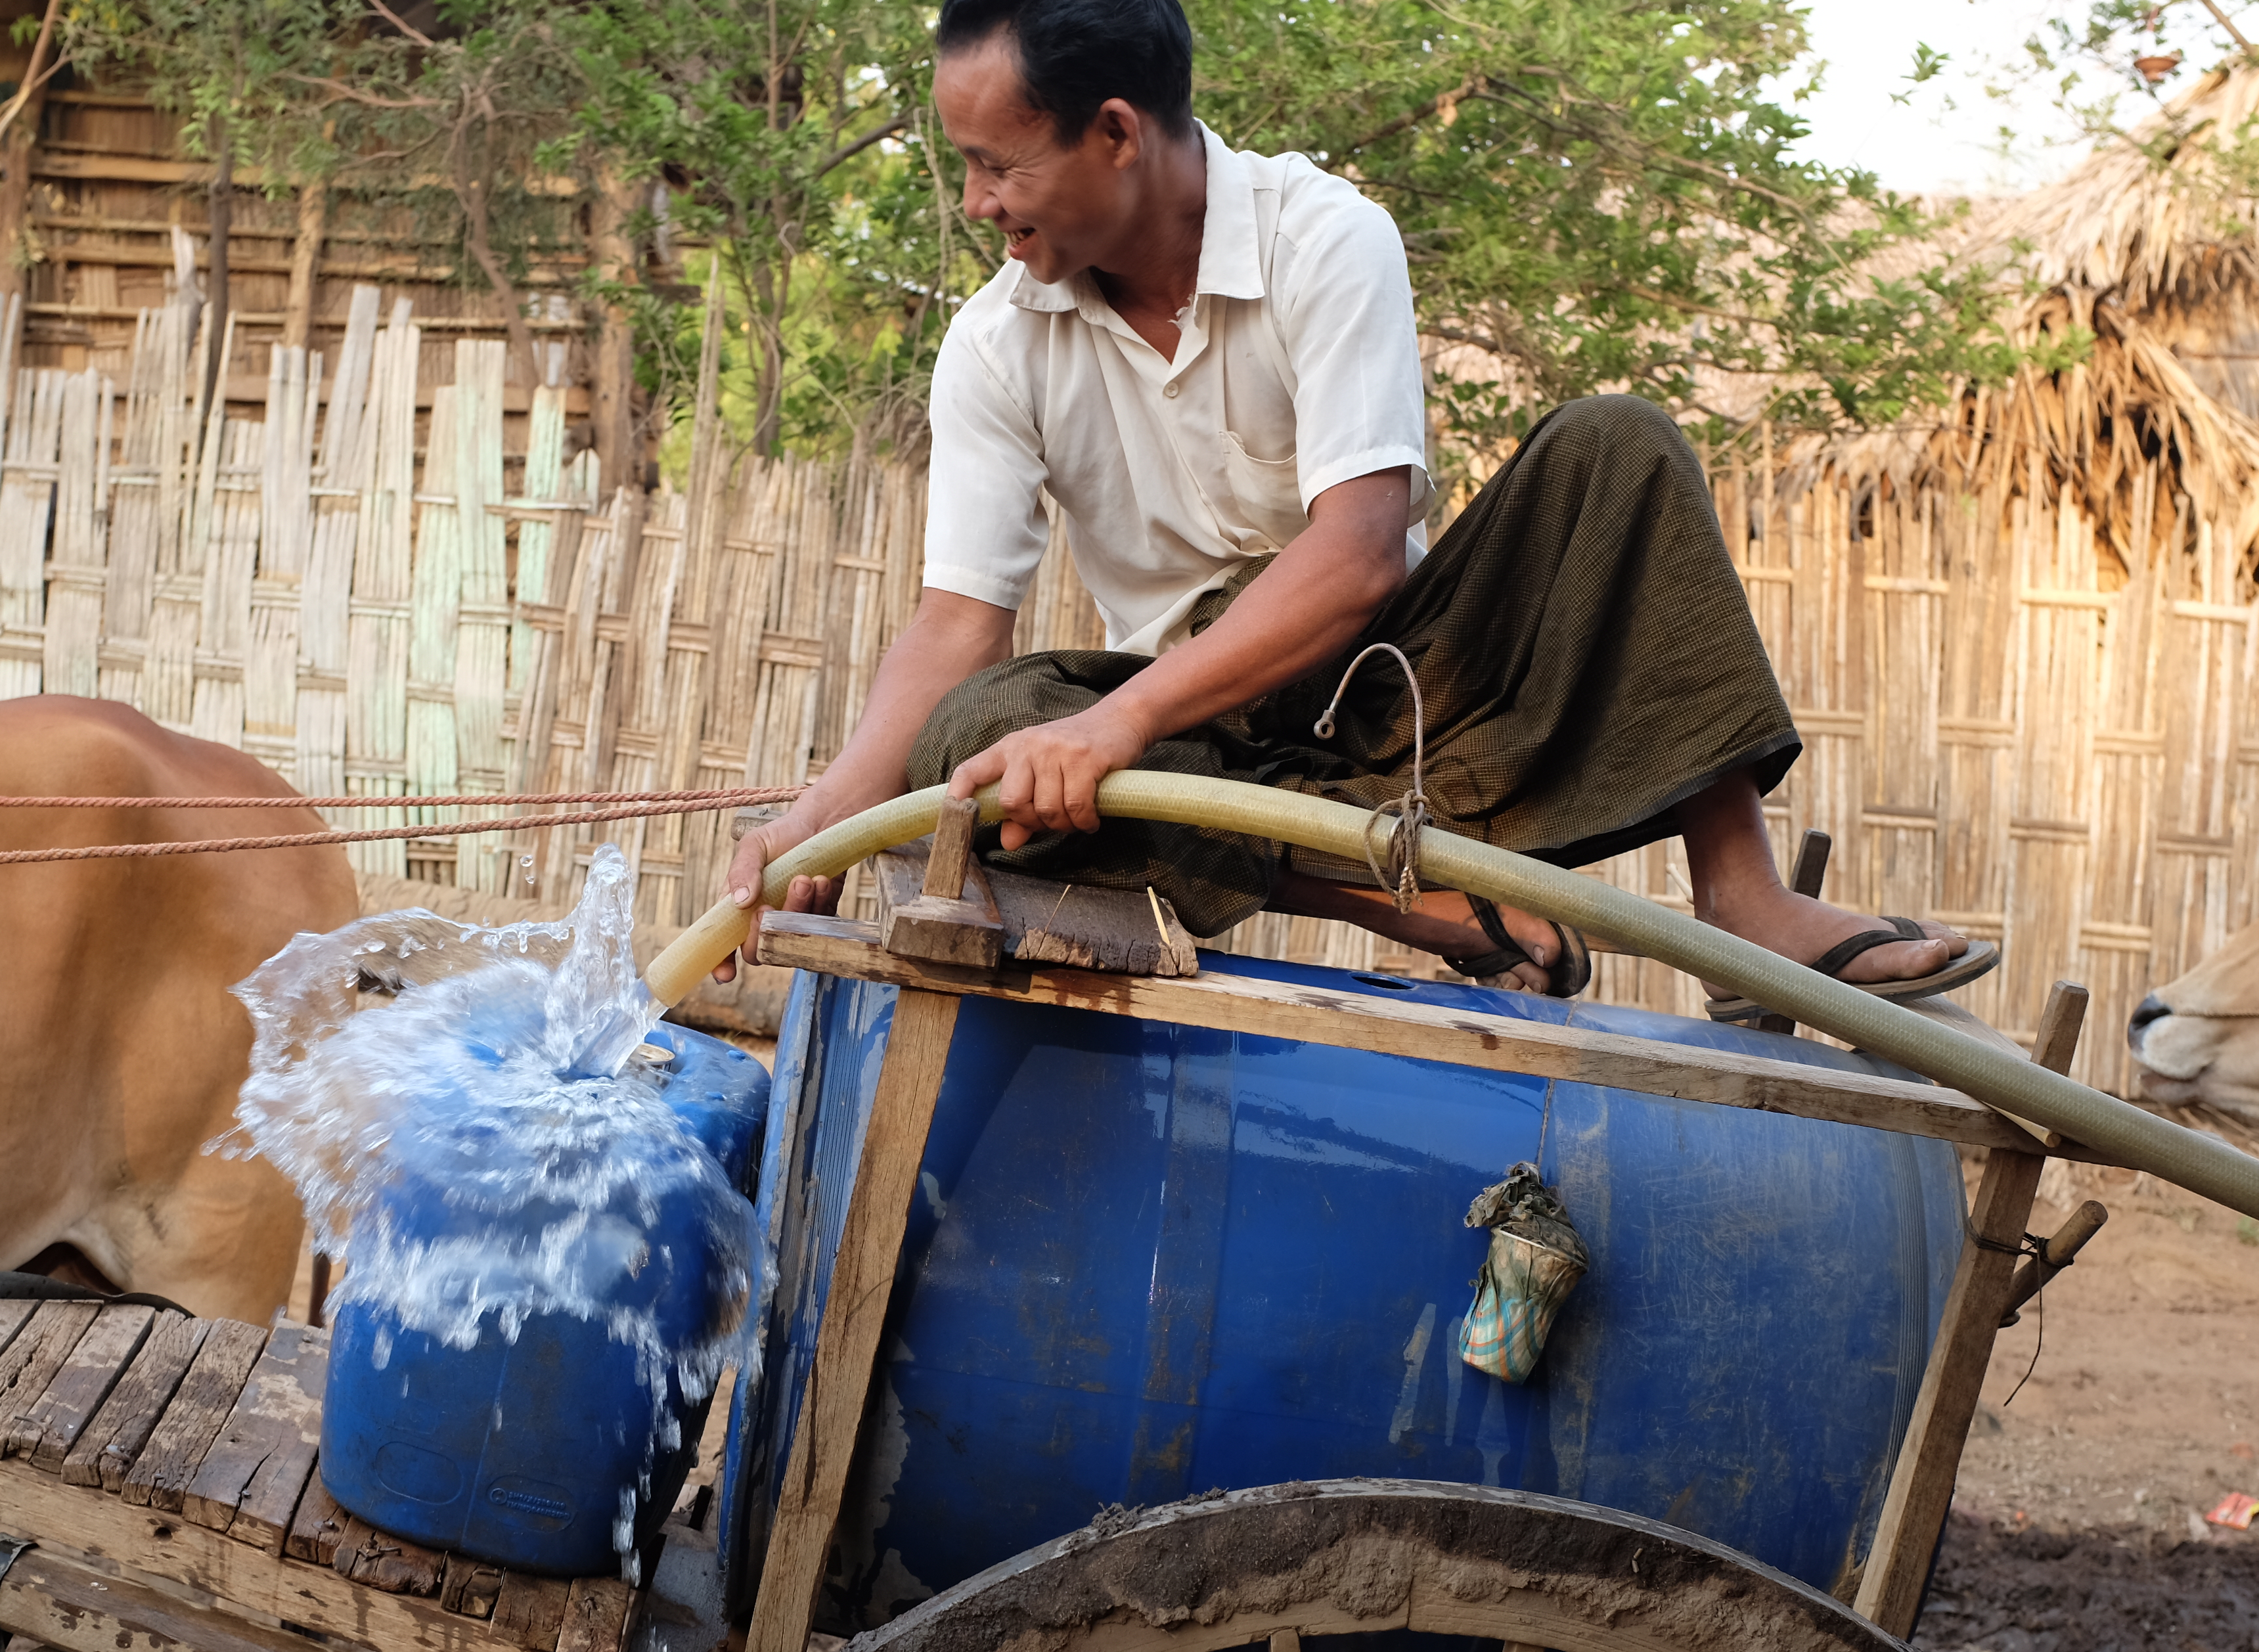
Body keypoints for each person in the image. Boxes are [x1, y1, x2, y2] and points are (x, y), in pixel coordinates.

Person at [723, 0, 1996, 1009]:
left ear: (1116, 132)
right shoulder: (997, 345)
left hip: (1416, 697)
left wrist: (1117, 729)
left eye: (997, 165)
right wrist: (813, 833)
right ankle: (1417, 904)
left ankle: (1744, 896)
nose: (976, 204)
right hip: (1204, 756)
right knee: (978, 736)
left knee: (1618, 443)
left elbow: (1358, 553)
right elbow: (957, 627)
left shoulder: (1325, 237)